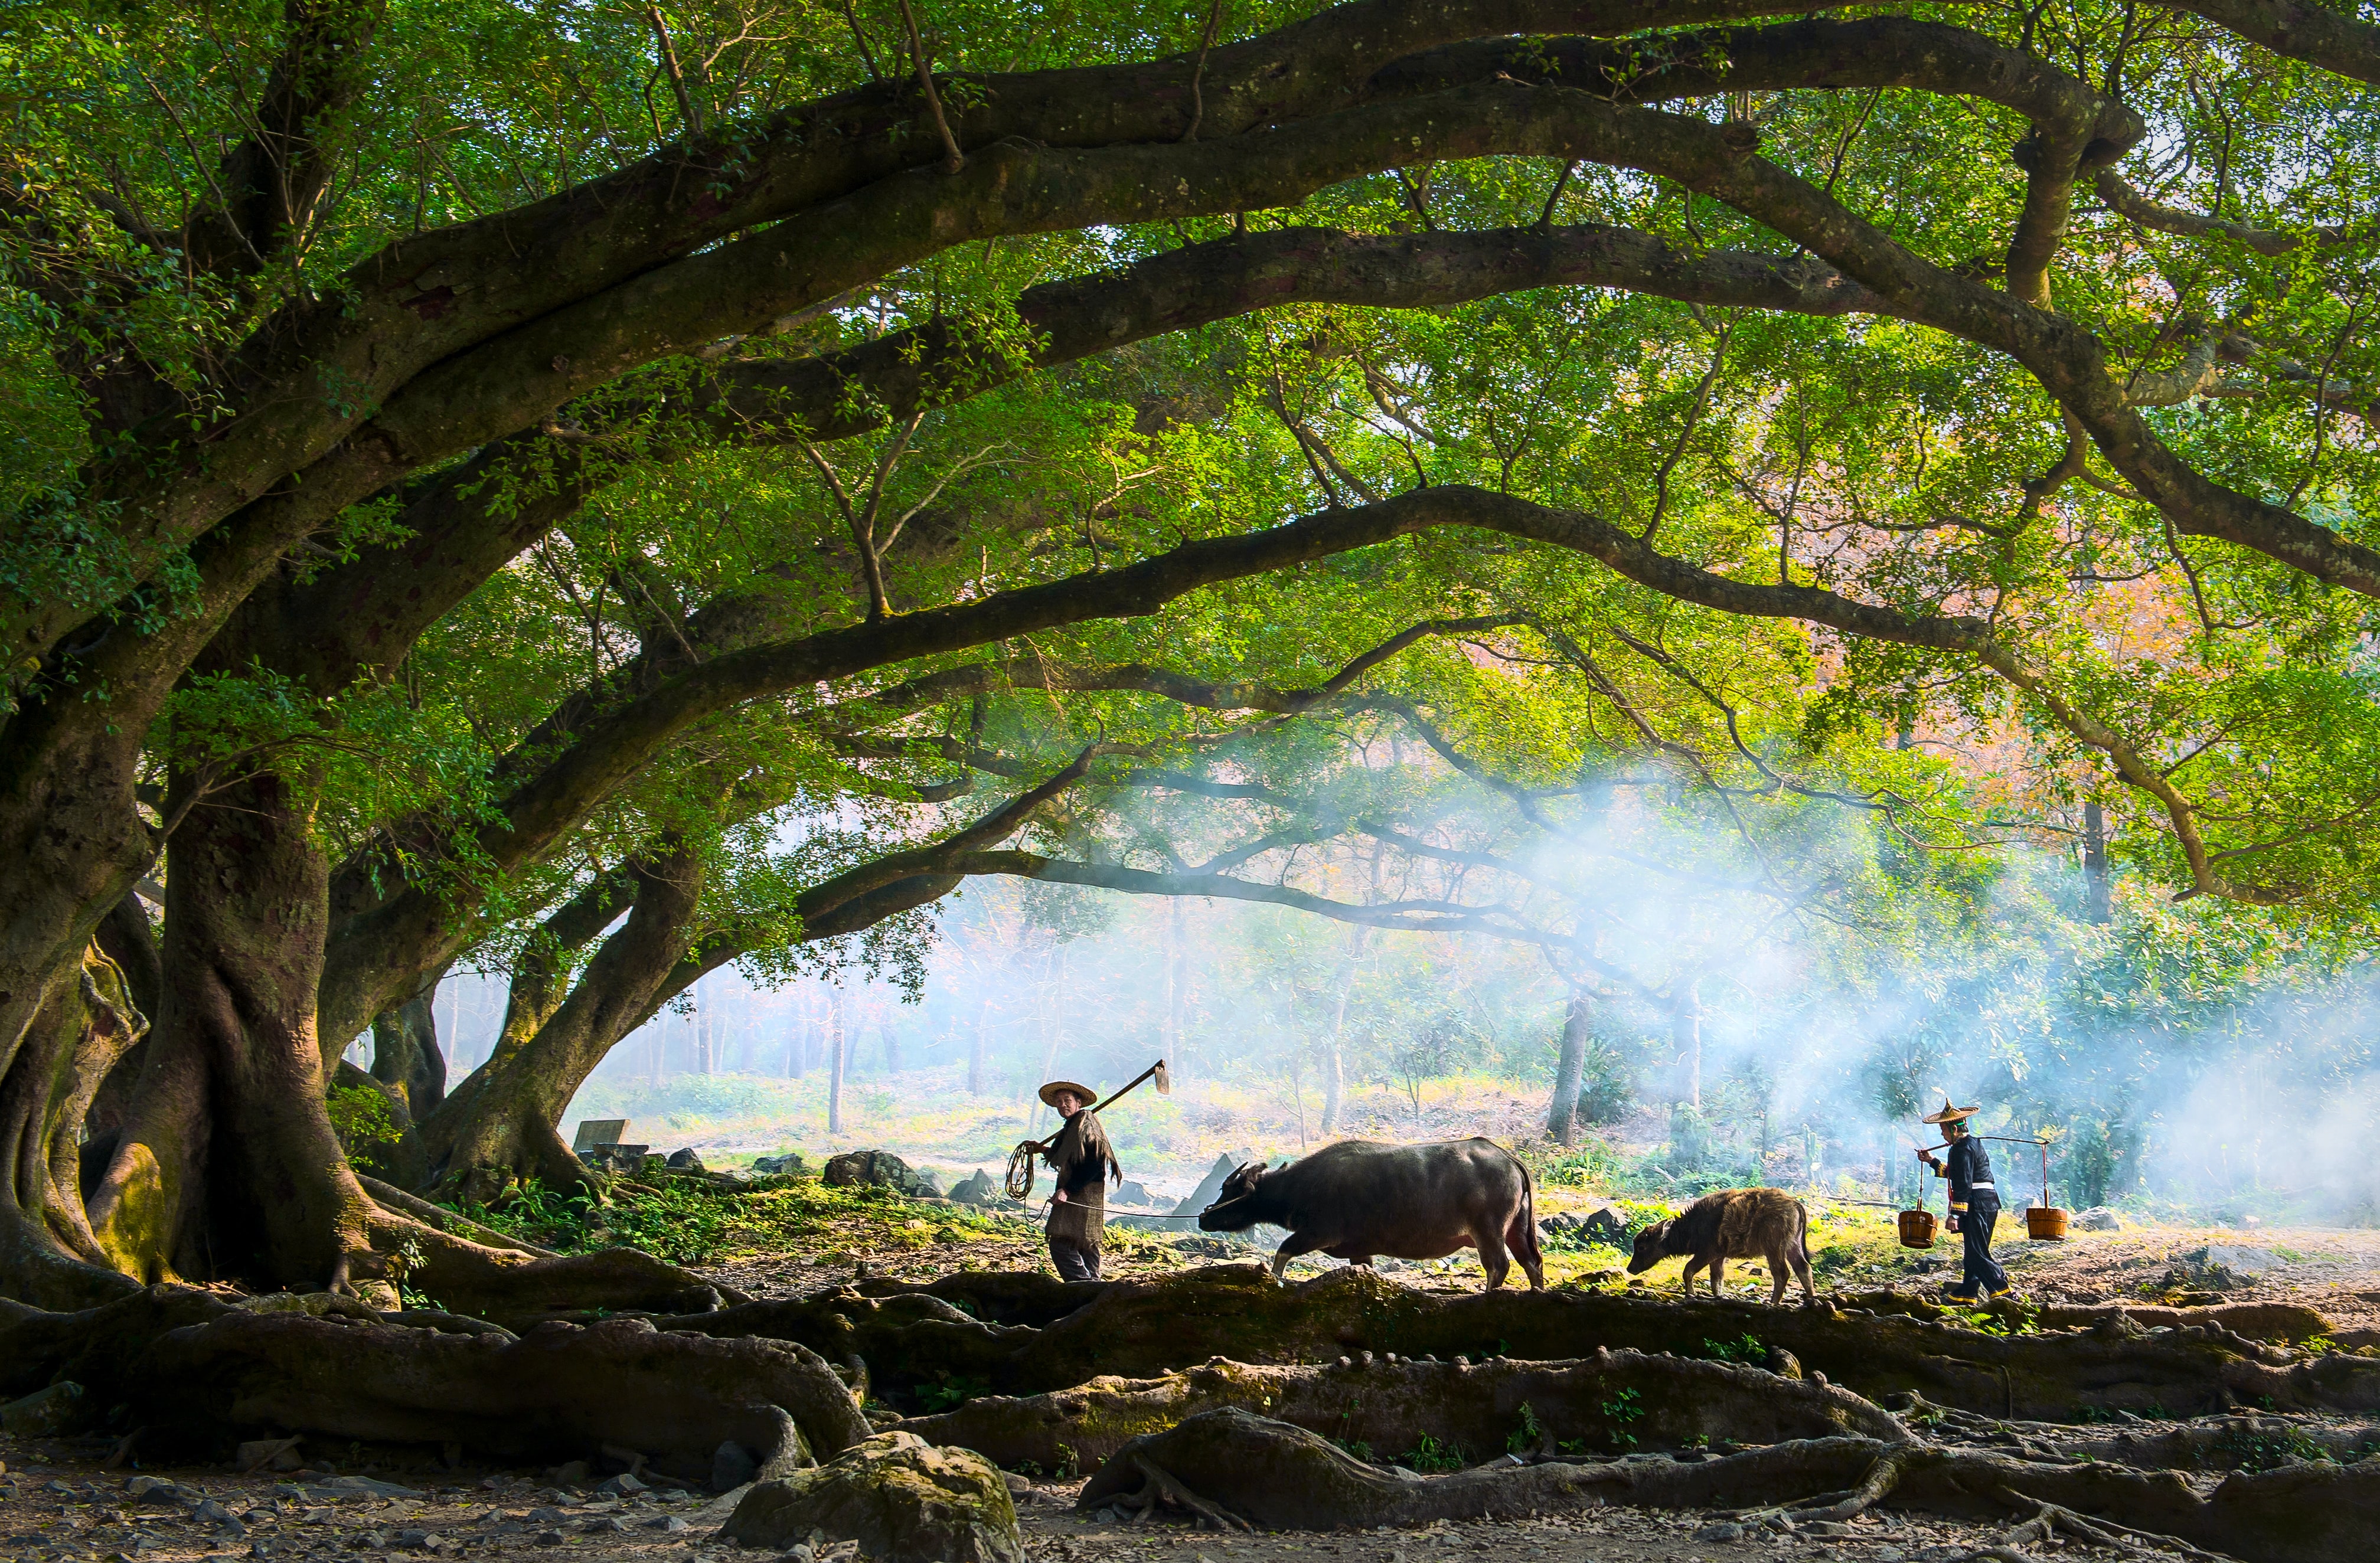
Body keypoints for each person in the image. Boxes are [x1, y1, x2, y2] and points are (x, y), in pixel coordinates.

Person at [1917, 1097, 2012, 1302]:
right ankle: (1968, 1293)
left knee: (1977, 1253)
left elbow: (1963, 1184)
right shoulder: (1972, 1144)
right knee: (1974, 1251)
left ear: (1954, 1129)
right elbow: (1956, 1174)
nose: (1942, 1134)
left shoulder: (1961, 1149)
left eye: (1943, 1130)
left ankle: (2004, 1291)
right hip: (1987, 1203)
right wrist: (1932, 1161)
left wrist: (1955, 1214)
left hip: (1977, 1204)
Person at [1039, 1078, 1121, 1283]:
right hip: (1080, 1194)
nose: (1063, 1105)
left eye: (1067, 1100)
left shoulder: (1087, 1123)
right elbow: (1071, 1156)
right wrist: (1043, 1150)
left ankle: (1083, 1286)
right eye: (1058, 1101)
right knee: (1086, 1244)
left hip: (1082, 1194)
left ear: (1079, 1102)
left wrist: (1067, 1190)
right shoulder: (1072, 1126)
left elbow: (1093, 1164)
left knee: (1061, 1242)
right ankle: (1094, 1287)